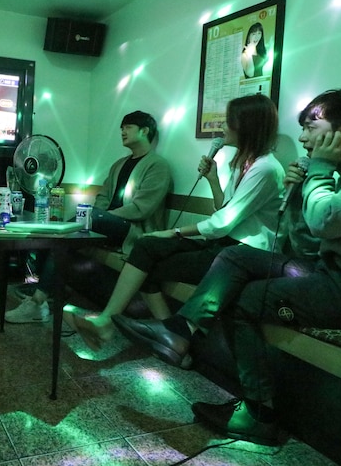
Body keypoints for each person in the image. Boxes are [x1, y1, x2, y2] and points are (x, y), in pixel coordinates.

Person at [115, 89, 341, 446]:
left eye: (310, 127)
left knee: (244, 299)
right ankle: (181, 331)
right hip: (340, 280)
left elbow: (325, 222)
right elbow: (308, 244)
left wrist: (316, 174)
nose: (302, 137)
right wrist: (299, 194)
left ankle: (257, 413)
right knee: (235, 257)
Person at [66, 94, 285, 351]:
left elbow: (223, 222)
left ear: (247, 125)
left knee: (150, 258)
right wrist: (213, 179)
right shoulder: (242, 165)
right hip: (223, 242)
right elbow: (224, 208)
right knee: (146, 249)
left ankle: (173, 339)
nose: (222, 127)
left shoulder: (266, 169)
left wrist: (174, 232)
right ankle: (116, 323)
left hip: (245, 253)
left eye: (228, 121)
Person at [5, 110, 171, 324]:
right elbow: (102, 197)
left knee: (75, 225)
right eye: (122, 128)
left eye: (128, 127)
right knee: (60, 233)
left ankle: (39, 301)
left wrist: (100, 217)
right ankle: (44, 296)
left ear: (145, 130)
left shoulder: (158, 166)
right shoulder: (119, 164)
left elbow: (141, 209)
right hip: (107, 223)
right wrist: (96, 216)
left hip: (133, 231)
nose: (122, 132)